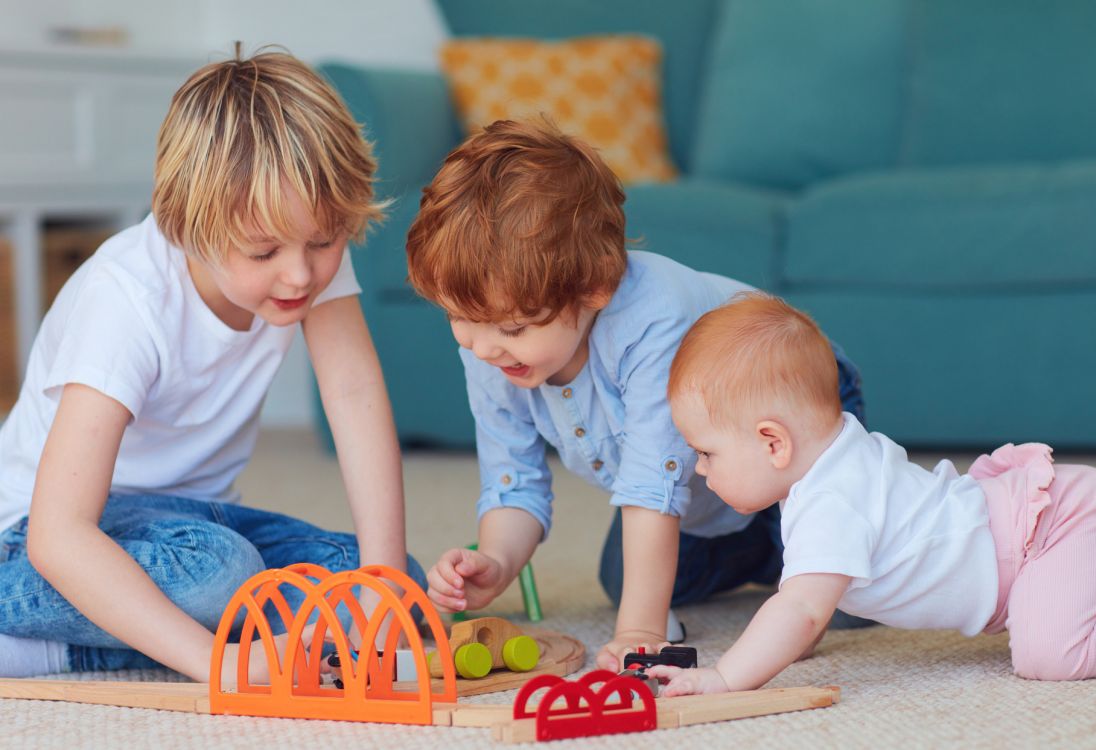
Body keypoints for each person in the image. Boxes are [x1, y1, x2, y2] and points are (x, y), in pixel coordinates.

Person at [0, 51, 425, 683]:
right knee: (220, 576)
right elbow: (59, 536)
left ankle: (147, 634)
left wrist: (380, 588)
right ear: (186, 228)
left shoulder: (300, 256)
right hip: (34, 543)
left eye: (324, 242)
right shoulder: (124, 300)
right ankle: (51, 651)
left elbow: (355, 394)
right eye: (263, 251)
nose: (301, 274)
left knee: (393, 580)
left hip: (194, 526)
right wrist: (221, 665)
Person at [405, 119, 869, 671]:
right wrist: (497, 561)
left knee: (852, 596)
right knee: (623, 576)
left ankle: (809, 538)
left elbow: (652, 485)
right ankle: (769, 546)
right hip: (708, 477)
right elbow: (514, 480)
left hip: (788, 412)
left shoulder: (654, 322)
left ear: (595, 288)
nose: (482, 347)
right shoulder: (489, 347)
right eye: (459, 318)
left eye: (513, 328)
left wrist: (639, 633)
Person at [649, 292, 1096, 694]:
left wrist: (729, 676)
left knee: (1049, 649)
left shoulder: (831, 500)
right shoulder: (835, 453)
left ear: (772, 443)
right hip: (1065, 521)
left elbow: (802, 608)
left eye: (706, 452)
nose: (701, 471)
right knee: (1095, 571)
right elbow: (811, 600)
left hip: (1057, 524)